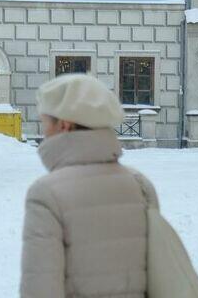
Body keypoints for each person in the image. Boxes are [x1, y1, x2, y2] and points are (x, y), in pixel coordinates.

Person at [20, 73, 156, 297]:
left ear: (64, 125)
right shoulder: (139, 185)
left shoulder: (46, 194)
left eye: (46, 124)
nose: (44, 133)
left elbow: (41, 288)